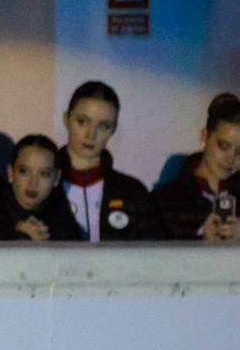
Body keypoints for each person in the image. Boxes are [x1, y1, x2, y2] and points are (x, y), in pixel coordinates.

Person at [56, 81, 162, 241]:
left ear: (113, 130)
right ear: (66, 119)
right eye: (82, 121)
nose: (90, 135)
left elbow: (155, 258)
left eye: (103, 126)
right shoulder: (41, 185)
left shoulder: (133, 192)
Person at [153, 98, 240, 242]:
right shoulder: (165, 198)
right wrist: (200, 239)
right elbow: (147, 256)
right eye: (224, 146)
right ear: (204, 136)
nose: (231, 158)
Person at [0, 134, 83, 242]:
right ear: (10, 173)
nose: (33, 183)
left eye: (44, 174)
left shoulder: (62, 220)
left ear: (56, 178)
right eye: (24, 171)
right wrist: (20, 238)